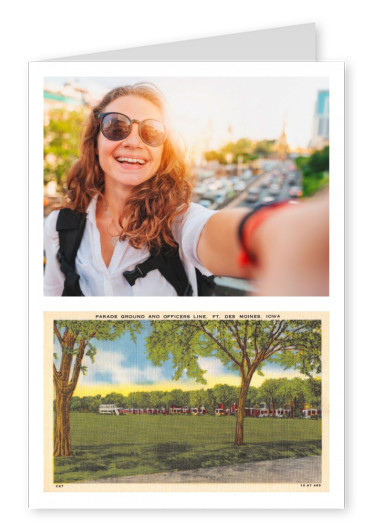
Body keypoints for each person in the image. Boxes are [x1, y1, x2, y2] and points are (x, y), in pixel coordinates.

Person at [44, 82, 329, 297]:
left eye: (151, 131)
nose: (133, 142)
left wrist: (277, 234)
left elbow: (211, 232)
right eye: (116, 126)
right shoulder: (59, 227)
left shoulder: (178, 223)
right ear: (95, 141)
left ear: (163, 151)